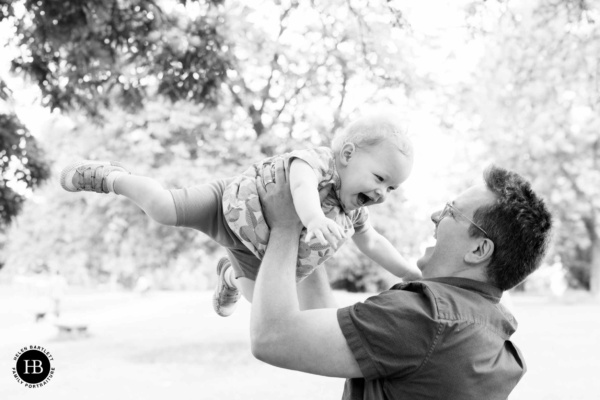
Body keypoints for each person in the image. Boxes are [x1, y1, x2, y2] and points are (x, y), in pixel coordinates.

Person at [60, 114, 421, 317]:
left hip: (255, 253)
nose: (381, 194)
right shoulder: (320, 163)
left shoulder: (351, 214)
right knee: (162, 208)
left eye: (392, 189)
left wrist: (408, 271)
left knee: (265, 304)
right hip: (227, 205)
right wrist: (312, 219)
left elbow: (373, 241)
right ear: (346, 154)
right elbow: (299, 185)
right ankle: (110, 177)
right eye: (379, 178)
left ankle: (229, 276)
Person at [250, 160, 552, 399]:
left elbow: (272, 338)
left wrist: (286, 225)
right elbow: (321, 325)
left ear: (479, 249)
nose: (435, 216)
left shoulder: (423, 318)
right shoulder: (489, 321)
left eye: (452, 212)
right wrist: (311, 234)